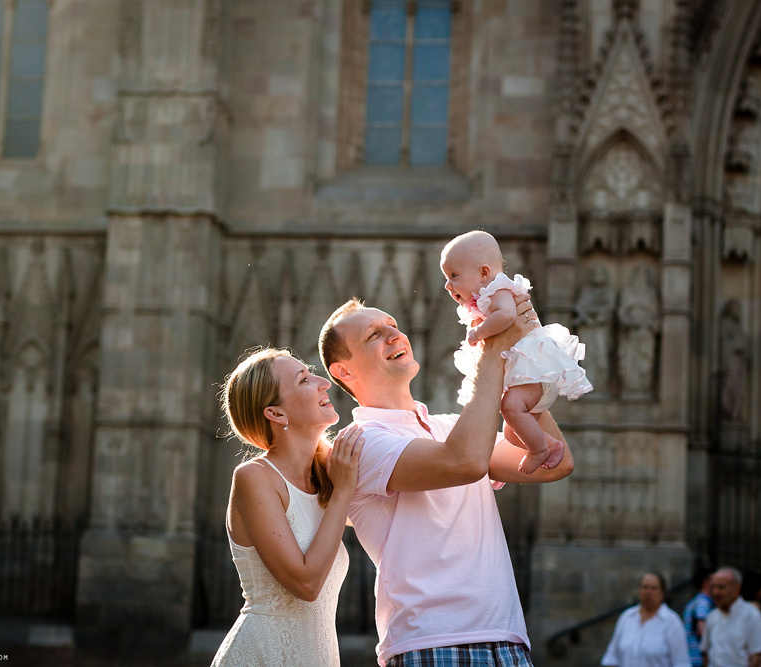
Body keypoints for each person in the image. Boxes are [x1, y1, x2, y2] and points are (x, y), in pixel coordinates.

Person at [319, 295, 574, 666]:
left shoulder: (453, 427)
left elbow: (557, 463)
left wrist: (523, 365)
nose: (394, 334)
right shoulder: (361, 442)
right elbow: (464, 463)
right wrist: (494, 351)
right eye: (375, 334)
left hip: (507, 639)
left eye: (392, 324)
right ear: (344, 372)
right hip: (430, 643)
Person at [209, 348, 365, 667]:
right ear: (276, 414)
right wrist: (343, 491)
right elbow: (305, 584)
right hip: (261, 657)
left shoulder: (329, 474)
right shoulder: (254, 477)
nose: (324, 382)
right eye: (304, 379)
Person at [440, 230, 592, 474]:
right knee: (512, 429)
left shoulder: (497, 289)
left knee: (511, 407)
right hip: (529, 376)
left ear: (484, 273)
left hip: (533, 371)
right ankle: (550, 445)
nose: (448, 285)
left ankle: (538, 450)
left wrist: (479, 333)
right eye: (446, 278)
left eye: (454, 275)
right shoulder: (489, 294)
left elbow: (508, 316)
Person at [601, 570, 692, 667]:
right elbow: (611, 657)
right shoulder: (627, 617)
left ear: (662, 593)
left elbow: (681, 662)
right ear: (639, 590)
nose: (648, 592)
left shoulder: (671, 622)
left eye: (654, 588)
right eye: (645, 587)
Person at [702, 567, 761, 667]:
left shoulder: (752, 615)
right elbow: (706, 654)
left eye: (721, 587)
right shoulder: (712, 617)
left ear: (737, 588)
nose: (716, 592)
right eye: (713, 587)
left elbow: (757, 657)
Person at [683, 566, 715, 667]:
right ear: (706, 582)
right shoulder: (703, 603)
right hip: (700, 660)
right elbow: (702, 630)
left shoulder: (694, 602)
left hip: (691, 658)